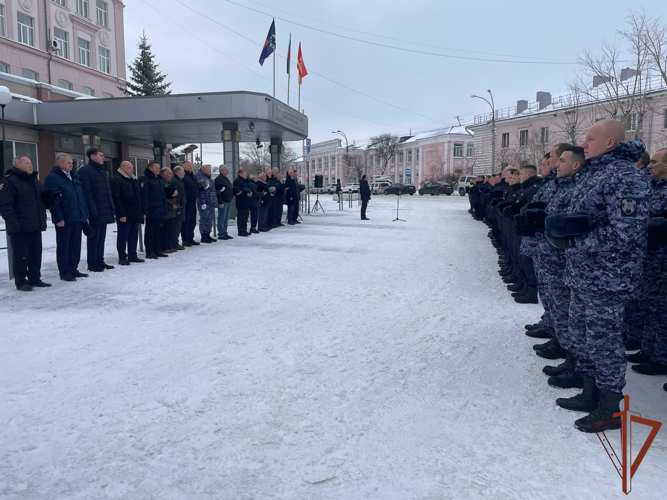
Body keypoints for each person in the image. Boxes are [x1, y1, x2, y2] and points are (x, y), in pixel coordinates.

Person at [544, 120, 651, 433]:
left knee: (604, 341)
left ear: (610, 143)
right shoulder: (595, 172)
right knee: (581, 334)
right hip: (583, 272)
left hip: (609, 277)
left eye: (590, 138)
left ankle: (608, 407)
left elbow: (627, 232)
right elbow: (588, 217)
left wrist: (575, 240)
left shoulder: (625, 176)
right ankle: (590, 390)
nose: (584, 143)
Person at [0, 156, 55, 291]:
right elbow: (5, 205)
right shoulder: (10, 182)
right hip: (20, 225)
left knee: (36, 254)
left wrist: (52, 198)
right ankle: (21, 280)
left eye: (31, 163)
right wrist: (13, 222)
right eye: (27, 163)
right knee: (21, 255)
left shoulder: (34, 182)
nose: (31, 165)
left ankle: (35, 278)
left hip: (35, 224)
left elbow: (43, 200)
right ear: (18, 165)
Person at [44, 153, 90, 281]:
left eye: (72, 163)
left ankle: (73, 268)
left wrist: (85, 215)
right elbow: (52, 200)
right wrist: (58, 218)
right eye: (69, 163)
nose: (71, 165)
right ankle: (64, 271)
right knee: (64, 245)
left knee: (76, 244)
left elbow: (81, 198)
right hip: (65, 218)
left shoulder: (74, 177)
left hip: (77, 217)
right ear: (60, 163)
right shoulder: (53, 178)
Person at [78, 147, 115, 272]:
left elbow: (106, 192)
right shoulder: (85, 171)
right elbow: (87, 193)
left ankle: (100, 260)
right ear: (92, 157)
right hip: (95, 210)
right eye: (100, 155)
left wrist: (111, 207)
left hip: (104, 209)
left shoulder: (101, 171)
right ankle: (92, 262)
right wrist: (92, 210)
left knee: (101, 238)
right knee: (94, 238)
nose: (103, 158)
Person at [110, 161, 144, 266]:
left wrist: (140, 212)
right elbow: (116, 198)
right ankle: (122, 257)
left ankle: (132, 255)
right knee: (123, 236)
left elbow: (138, 197)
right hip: (125, 213)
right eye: (130, 168)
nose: (132, 170)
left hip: (135, 213)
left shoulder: (133, 180)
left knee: (133, 235)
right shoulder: (117, 180)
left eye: (132, 168)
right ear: (123, 168)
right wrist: (120, 214)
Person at [139, 161, 167, 259]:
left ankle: (157, 249)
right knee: (150, 231)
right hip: (151, 209)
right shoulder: (145, 178)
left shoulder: (158, 179)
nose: (158, 170)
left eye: (159, 168)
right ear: (150, 168)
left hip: (159, 208)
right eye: (156, 168)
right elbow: (144, 196)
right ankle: (149, 251)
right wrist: (145, 211)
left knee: (158, 230)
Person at [180, 161, 200, 246]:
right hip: (187, 201)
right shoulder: (184, 177)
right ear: (183, 167)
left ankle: (191, 237)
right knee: (186, 221)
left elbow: (195, 186)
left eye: (191, 166)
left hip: (193, 200)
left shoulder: (193, 176)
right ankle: (185, 239)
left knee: (192, 221)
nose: (191, 167)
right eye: (189, 166)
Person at [160, 167, 179, 253]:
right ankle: (164, 246)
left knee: (170, 229)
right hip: (166, 209)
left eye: (171, 173)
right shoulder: (162, 183)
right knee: (165, 230)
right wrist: (171, 205)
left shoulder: (169, 183)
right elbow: (163, 197)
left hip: (172, 210)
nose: (170, 175)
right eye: (169, 173)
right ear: (163, 174)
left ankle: (169, 245)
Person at [197, 164, 217, 243]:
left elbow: (211, 190)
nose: (210, 171)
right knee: (204, 219)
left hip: (210, 202)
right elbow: (201, 192)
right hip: (205, 203)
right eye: (208, 169)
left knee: (209, 219)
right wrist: (203, 203)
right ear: (203, 170)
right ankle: (204, 235)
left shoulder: (208, 178)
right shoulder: (200, 178)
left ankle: (208, 234)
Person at [214, 165, 234, 241]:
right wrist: (220, 202)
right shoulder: (219, 179)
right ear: (221, 170)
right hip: (223, 201)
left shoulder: (225, 178)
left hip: (228, 200)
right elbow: (218, 192)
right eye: (226, 170)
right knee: (222, 218)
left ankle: (225, 232)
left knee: (226, 218)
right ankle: (221, 233)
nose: (227, 171)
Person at [233, 169, 253, 236]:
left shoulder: (245, 180)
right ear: (240, 174)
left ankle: (244, 229)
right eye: (244, 174)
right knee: (241, 217)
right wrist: (245, 194)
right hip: (241, 201)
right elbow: (238, 192)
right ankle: (241, 230)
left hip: (247, 201)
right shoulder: (237, 181)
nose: (246, 175)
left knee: (245, 217)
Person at [171, 166, 187, 251]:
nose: (184, 173)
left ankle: (175, 242)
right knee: (176, 226)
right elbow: (177, 195)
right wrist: (178, 206)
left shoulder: (179, 180)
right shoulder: (175, 181)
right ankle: (174, 243)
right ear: (177, 172)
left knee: (178, 226)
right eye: (182, 172)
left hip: (181, 206)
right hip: (178, 207)